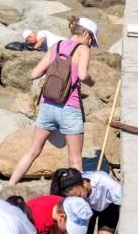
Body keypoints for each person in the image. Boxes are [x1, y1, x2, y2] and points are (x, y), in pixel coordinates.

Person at [7, 16, 98, 184]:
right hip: (69, 107)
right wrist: (92, 82)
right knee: (75, 161)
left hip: (48, 106)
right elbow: (84, 75)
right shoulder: (83, 50)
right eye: (92, 39)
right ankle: (77, 201)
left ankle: (9, 186)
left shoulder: (56, 46)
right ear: (86, 34)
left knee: (32, 152)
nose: (91, 43)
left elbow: (33, 74)